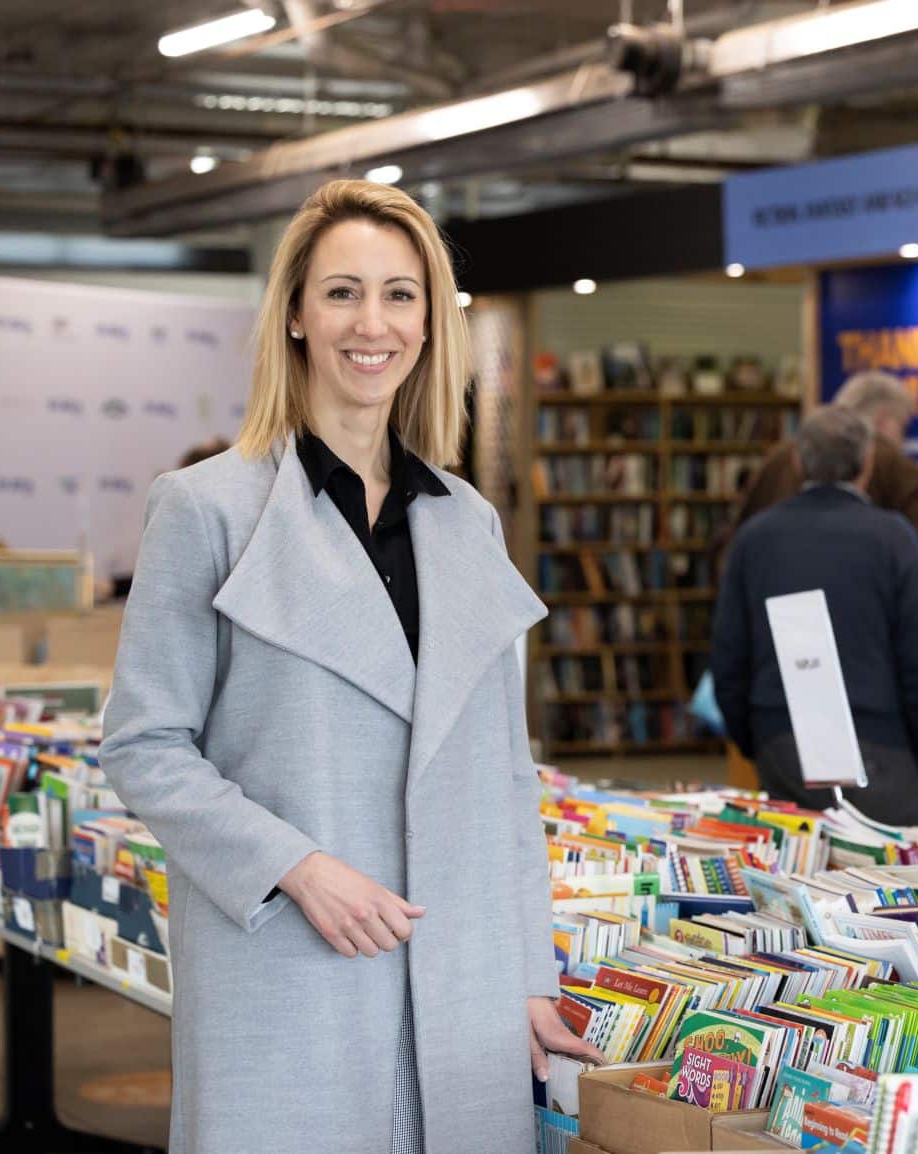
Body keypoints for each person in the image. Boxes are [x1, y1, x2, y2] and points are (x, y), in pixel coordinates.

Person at [99, 180, 600, 1154]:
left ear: (429, 318)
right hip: (294, 962)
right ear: (293, 313)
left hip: (460, 985)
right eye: (341, 293)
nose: (373, 323)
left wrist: (528, 971)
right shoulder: (208, 509)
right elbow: (145, 744)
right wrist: (297, 864)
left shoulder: (467, 519)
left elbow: (505, 776)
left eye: (400, 294)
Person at [710, 407, 918, 827]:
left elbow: (729, 657)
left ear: (798, 461)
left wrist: (757, 742)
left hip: (783, 742)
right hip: (880, 743)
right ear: (869, 462)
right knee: (901, 880)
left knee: (796, 875)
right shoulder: (894, 539)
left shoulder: (755, 539)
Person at [715, 371, 918, 602]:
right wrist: (905, 617)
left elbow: (736, 541)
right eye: (903, 427)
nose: (902, 439)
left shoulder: (779, 458)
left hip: (777, 621)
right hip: (865, 631)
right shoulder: (894, 466)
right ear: (884, 419)